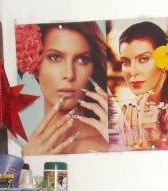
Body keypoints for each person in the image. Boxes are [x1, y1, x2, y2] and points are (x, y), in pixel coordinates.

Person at [18, 21, 109, 155]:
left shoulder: (109, 145)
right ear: (35, 64)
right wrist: (28, 161)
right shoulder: (19, 149)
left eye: (82, 60)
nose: (69, 74)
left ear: (93, 68)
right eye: (55, 57)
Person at [116, 21, 168, 150]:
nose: (132, 71)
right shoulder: (135, 106)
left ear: (164, 61)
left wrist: (148, 145)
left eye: (143, 59)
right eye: (126, 62)